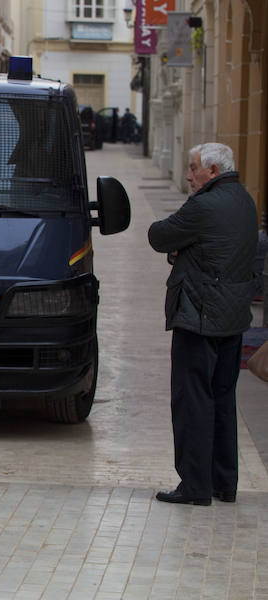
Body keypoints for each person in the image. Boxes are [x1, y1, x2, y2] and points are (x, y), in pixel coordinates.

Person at [148, 142, 259, 505]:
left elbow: (159, 234)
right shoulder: (244, 201)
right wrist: (188, 247)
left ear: (213, 171)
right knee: (223, 398)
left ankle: (195, 487)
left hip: (198, 316)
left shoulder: (204, 205)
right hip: (233, 318)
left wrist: (183, 248)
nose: (189, 175)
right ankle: (224, 483)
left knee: (192, 400)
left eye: (194, 167)